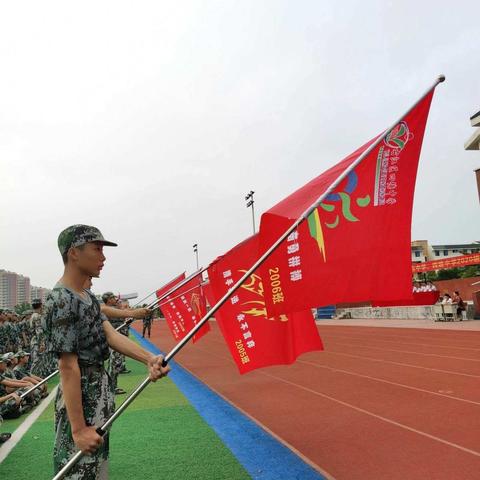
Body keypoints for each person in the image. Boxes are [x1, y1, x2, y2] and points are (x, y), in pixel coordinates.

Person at [44, 224, 170, 479]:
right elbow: (68, 366)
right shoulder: (61, 300)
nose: (103, 257)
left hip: (99, 386)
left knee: (97, 464)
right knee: (77, 468)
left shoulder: (87, 296)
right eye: (97, 249)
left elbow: (110, 335)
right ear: (74, 253)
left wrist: (149, 358)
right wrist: (78, 430)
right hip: (80, 392)